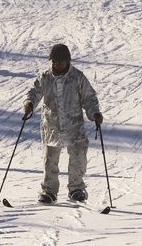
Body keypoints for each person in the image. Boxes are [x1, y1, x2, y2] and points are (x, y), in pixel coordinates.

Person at [22, 43, 103, 204]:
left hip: (74, 126)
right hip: (52, 126)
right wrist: (29, 103)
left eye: (62, 61)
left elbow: (89, 98)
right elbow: (34, 92)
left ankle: (76, 189)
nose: (59, 64)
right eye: (56, 61)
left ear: (68, 61)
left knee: (78, 157)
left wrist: (94, 113)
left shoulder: (77, 77)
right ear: (51, 62)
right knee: (50, 160)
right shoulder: (45, 77)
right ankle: (49, 191)